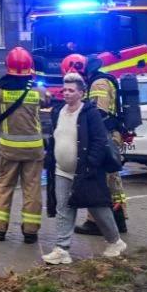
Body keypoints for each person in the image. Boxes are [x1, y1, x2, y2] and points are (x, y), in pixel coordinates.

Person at [42, 73, 127, 264]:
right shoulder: (58, 112)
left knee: (97, 207)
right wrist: (50, 158)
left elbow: (99, 140)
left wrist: (91, 164)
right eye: (64, 89)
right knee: (64, 207)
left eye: (71, 90)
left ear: (81, 92)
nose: (66, 93)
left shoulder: (90, 113)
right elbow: (56, 137)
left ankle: (115, 241)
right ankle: (62, 249)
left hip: (86, 170)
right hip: (61, 170)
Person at [0, 47, 45, 244]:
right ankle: (30, 232)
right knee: (32, 188)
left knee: (4, 186)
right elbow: (47, 101)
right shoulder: (36, 88)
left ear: (7, 65)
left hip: (9, 149)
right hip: (34, 149)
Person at [75, 56, 129, 235]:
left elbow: (98, 113)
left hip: (105, 136)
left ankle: (98, 223)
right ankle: (118, 220)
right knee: (112, 180)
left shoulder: (98, 84)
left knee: (100, 179)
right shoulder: (101, 80)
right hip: (109, 135)